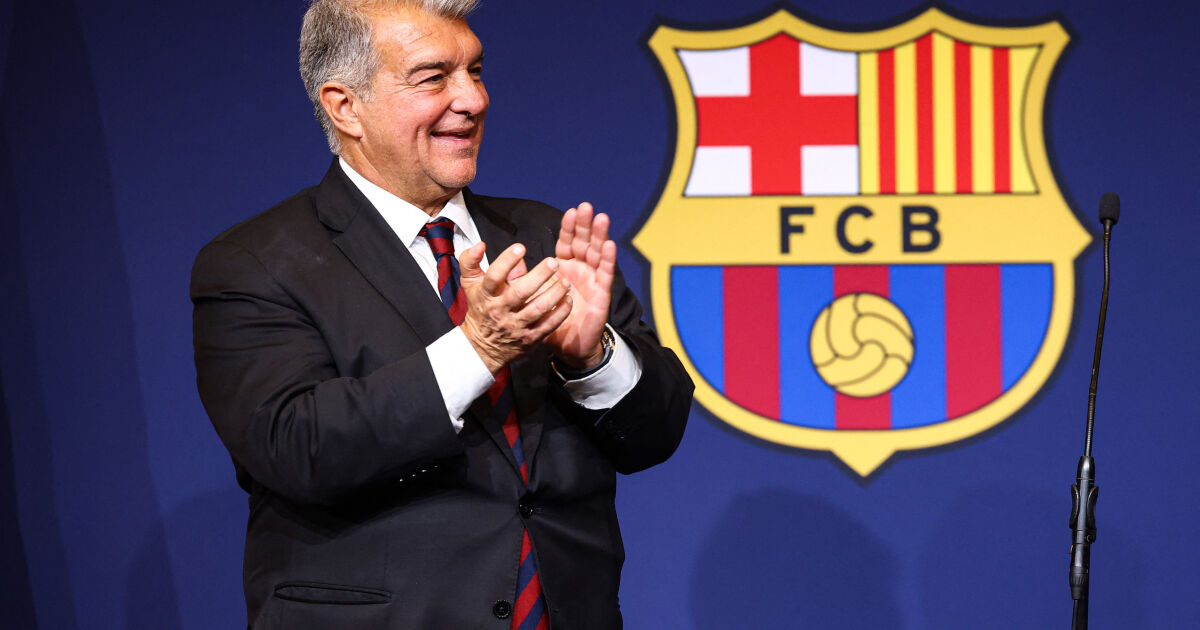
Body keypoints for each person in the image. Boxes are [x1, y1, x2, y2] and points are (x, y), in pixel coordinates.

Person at [189, 1, 693, 628]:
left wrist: (590, 358)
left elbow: (654, 436)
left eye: (475, 71)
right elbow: (297, 448)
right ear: (346, 106)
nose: (474, 100)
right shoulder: (255, 263)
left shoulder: (542, 237)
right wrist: (479, 349)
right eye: (433, 78)